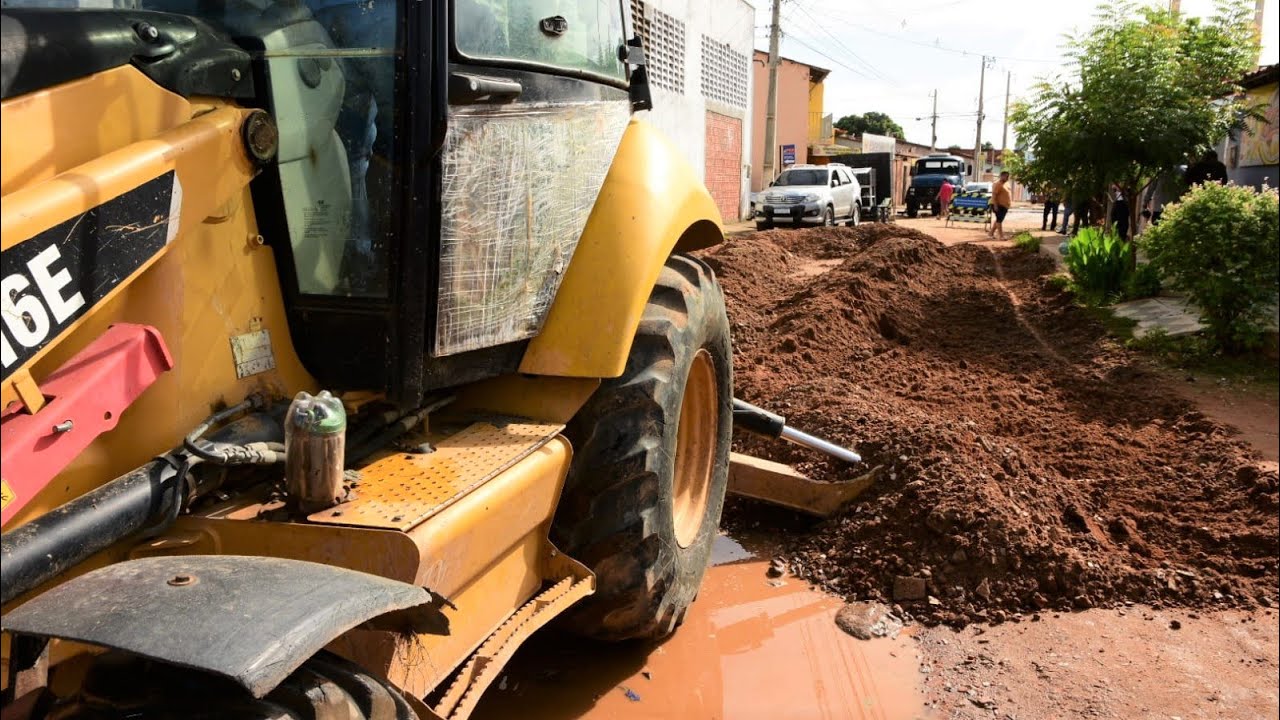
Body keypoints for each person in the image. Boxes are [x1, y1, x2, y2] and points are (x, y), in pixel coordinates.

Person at [987, 171, 1013, 242]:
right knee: (999, 220)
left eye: (1008, 176)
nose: (1007, 178)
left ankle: (990, 233)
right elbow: (994, 195)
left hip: (1005, 205)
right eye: (1006, 176)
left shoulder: (1006, 184)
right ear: (1001, 176)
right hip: (998, 205)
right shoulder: (998, 184)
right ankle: (1001, 236)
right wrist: (995, 205)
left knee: (999, 219)